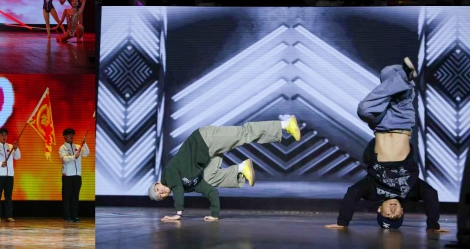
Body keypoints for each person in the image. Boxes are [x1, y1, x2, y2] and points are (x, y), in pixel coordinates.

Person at [325, 59, 449, 233]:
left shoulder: (372, 190)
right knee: (391, 76)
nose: (392, 211)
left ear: (379, 209)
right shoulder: (411, 191)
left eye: (388, 215)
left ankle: (404, 76)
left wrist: (342, 222)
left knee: (366, 107)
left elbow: (352, 194)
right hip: (402, 122)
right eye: (396, 215)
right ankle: (404, 77)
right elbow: (431, 194)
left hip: (380, 125)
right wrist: (433, 225)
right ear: (402, 211)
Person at [148, 117, 301, 221]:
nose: (161, 192)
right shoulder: (186, 185)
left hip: (205, 139)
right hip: (207, 155)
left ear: (158, 183)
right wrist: (214, 214)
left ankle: (285, 124)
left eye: (157, 190)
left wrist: (178, 214)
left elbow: (177, 189)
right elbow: (210, 191)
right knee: (209, 179)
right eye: (160, 196)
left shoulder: (168, 174)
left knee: (243, 134)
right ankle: (242, 168)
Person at [59, 128, 90, 222]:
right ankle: (67, 216)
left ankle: (74, 216)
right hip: (67, 176)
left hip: (77, 176)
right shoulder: (62, 148)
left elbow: (87, 154)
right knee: (67, 197)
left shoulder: (78, 146)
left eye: (72, 134)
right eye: (69, 134)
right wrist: (74, 157)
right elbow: (64, 159)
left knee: (75, 197)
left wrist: (84, 143)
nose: (71, 136)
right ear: (64, 136)